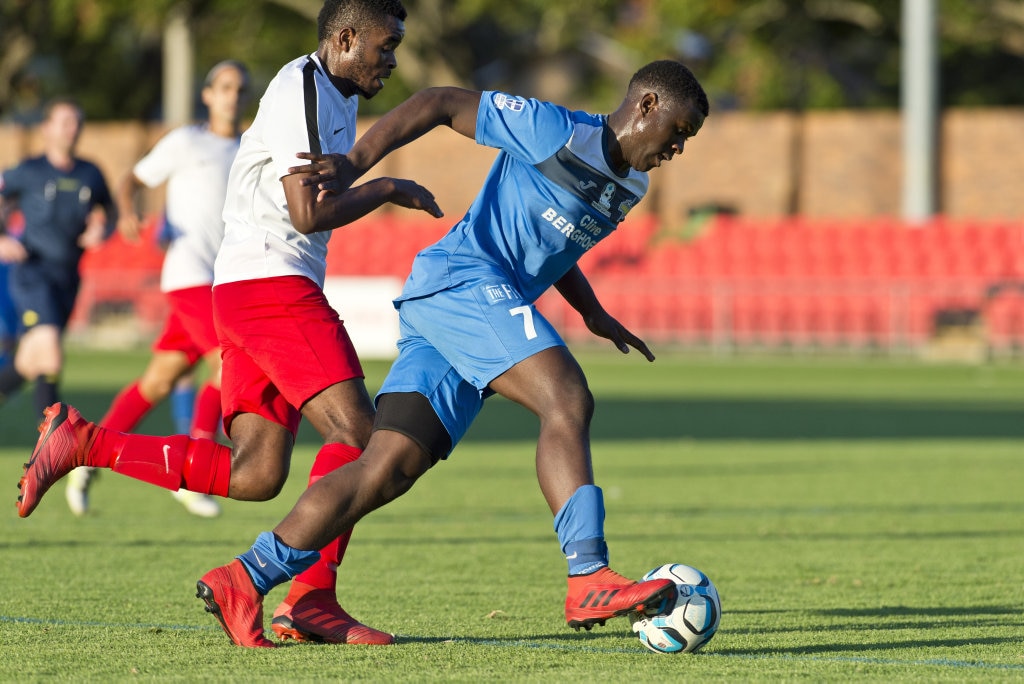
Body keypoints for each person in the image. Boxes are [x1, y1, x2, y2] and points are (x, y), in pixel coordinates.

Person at [18, 58, 708, 647]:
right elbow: (439, 102)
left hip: (463, 314)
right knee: (568, 398)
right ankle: (588, 574)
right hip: (463, 283)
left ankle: (249, 576)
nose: (676, 149)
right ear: (645, 104)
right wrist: (356, 165)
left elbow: (553, 249)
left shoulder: (629, 187)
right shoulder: (556, 128)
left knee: (383, 469)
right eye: (677, 132)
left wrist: (593, 312)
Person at [16, 0, 439, 647]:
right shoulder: (301, 85)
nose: (392, 58)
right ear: (346, 37)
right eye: (386, 45)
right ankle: (308, 599)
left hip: (245, 289)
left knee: (256, 472)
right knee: (362, 435)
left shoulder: (340, 95)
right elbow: (305, 212)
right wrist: (388, 191)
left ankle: (84, 443)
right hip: (272, 285)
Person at [63, 60, 250, 519]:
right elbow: (134, 179)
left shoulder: (251, 148)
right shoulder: (188, 141)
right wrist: (127, 210)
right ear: (207, 95)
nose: (232, 95)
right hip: (188, 275)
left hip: (224, 279)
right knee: (230, 362)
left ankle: (85, 454)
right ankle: (193, 474)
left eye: (240, 88)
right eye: (224, 87)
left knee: (160, 379)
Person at [0, 99, 115, 416]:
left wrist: (102, 231)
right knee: (50, 353)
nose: (72, 129)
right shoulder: (29, 170)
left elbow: (113, 211)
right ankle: (55, 450)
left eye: (77, 122)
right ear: (46, 128)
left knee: (28, 362)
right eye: (64, 122)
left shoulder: (90, 173)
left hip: (67, 277)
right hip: (32, 273)